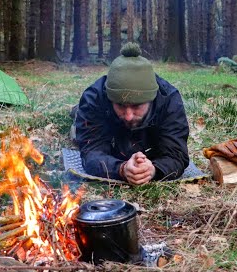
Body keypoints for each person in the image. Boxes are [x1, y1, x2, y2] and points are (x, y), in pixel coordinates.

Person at [74, 42, 189, 186]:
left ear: (151, 100)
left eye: (136, 106)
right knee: (76, 131)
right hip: (110, 131)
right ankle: (76, 112)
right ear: (110, 99)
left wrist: (153, 170)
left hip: (149, 137)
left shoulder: (169, 101)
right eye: (121, 106)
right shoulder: (95, 99)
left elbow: (177, 154)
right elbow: (91, 152)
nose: (128, 115)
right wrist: (120, 169)